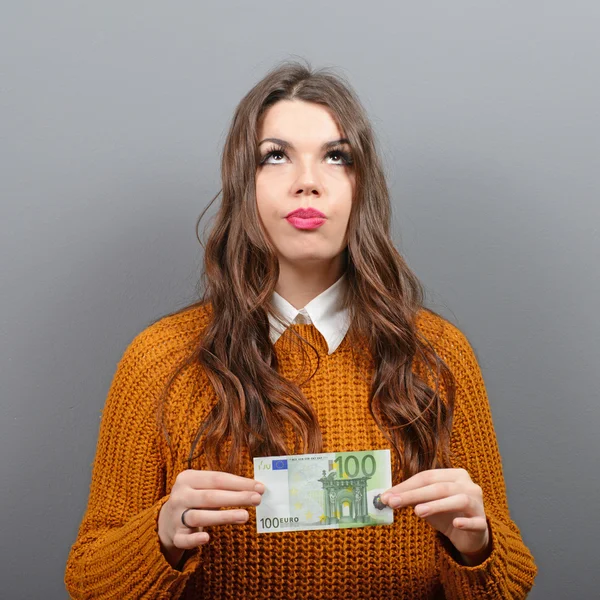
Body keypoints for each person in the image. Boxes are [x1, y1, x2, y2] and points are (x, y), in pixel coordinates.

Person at [65, 60, 537, 599]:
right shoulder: (161, 360)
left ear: (363, 187)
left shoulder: (437, 356)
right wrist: (161, 535)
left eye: (336, 157)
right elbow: (87, 582)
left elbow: (509, 585)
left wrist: (474, 546)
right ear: (245, 183)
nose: (307, 183)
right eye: (276, 156)